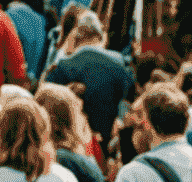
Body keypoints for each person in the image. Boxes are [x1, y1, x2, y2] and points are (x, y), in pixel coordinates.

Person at [45, 13, 134, 151]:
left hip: (70, 146)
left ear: (76, 37)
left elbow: (45, 101)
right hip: (108, 147)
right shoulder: (121, 66)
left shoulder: (63, 66)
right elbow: (128, 104)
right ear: (101, 36)